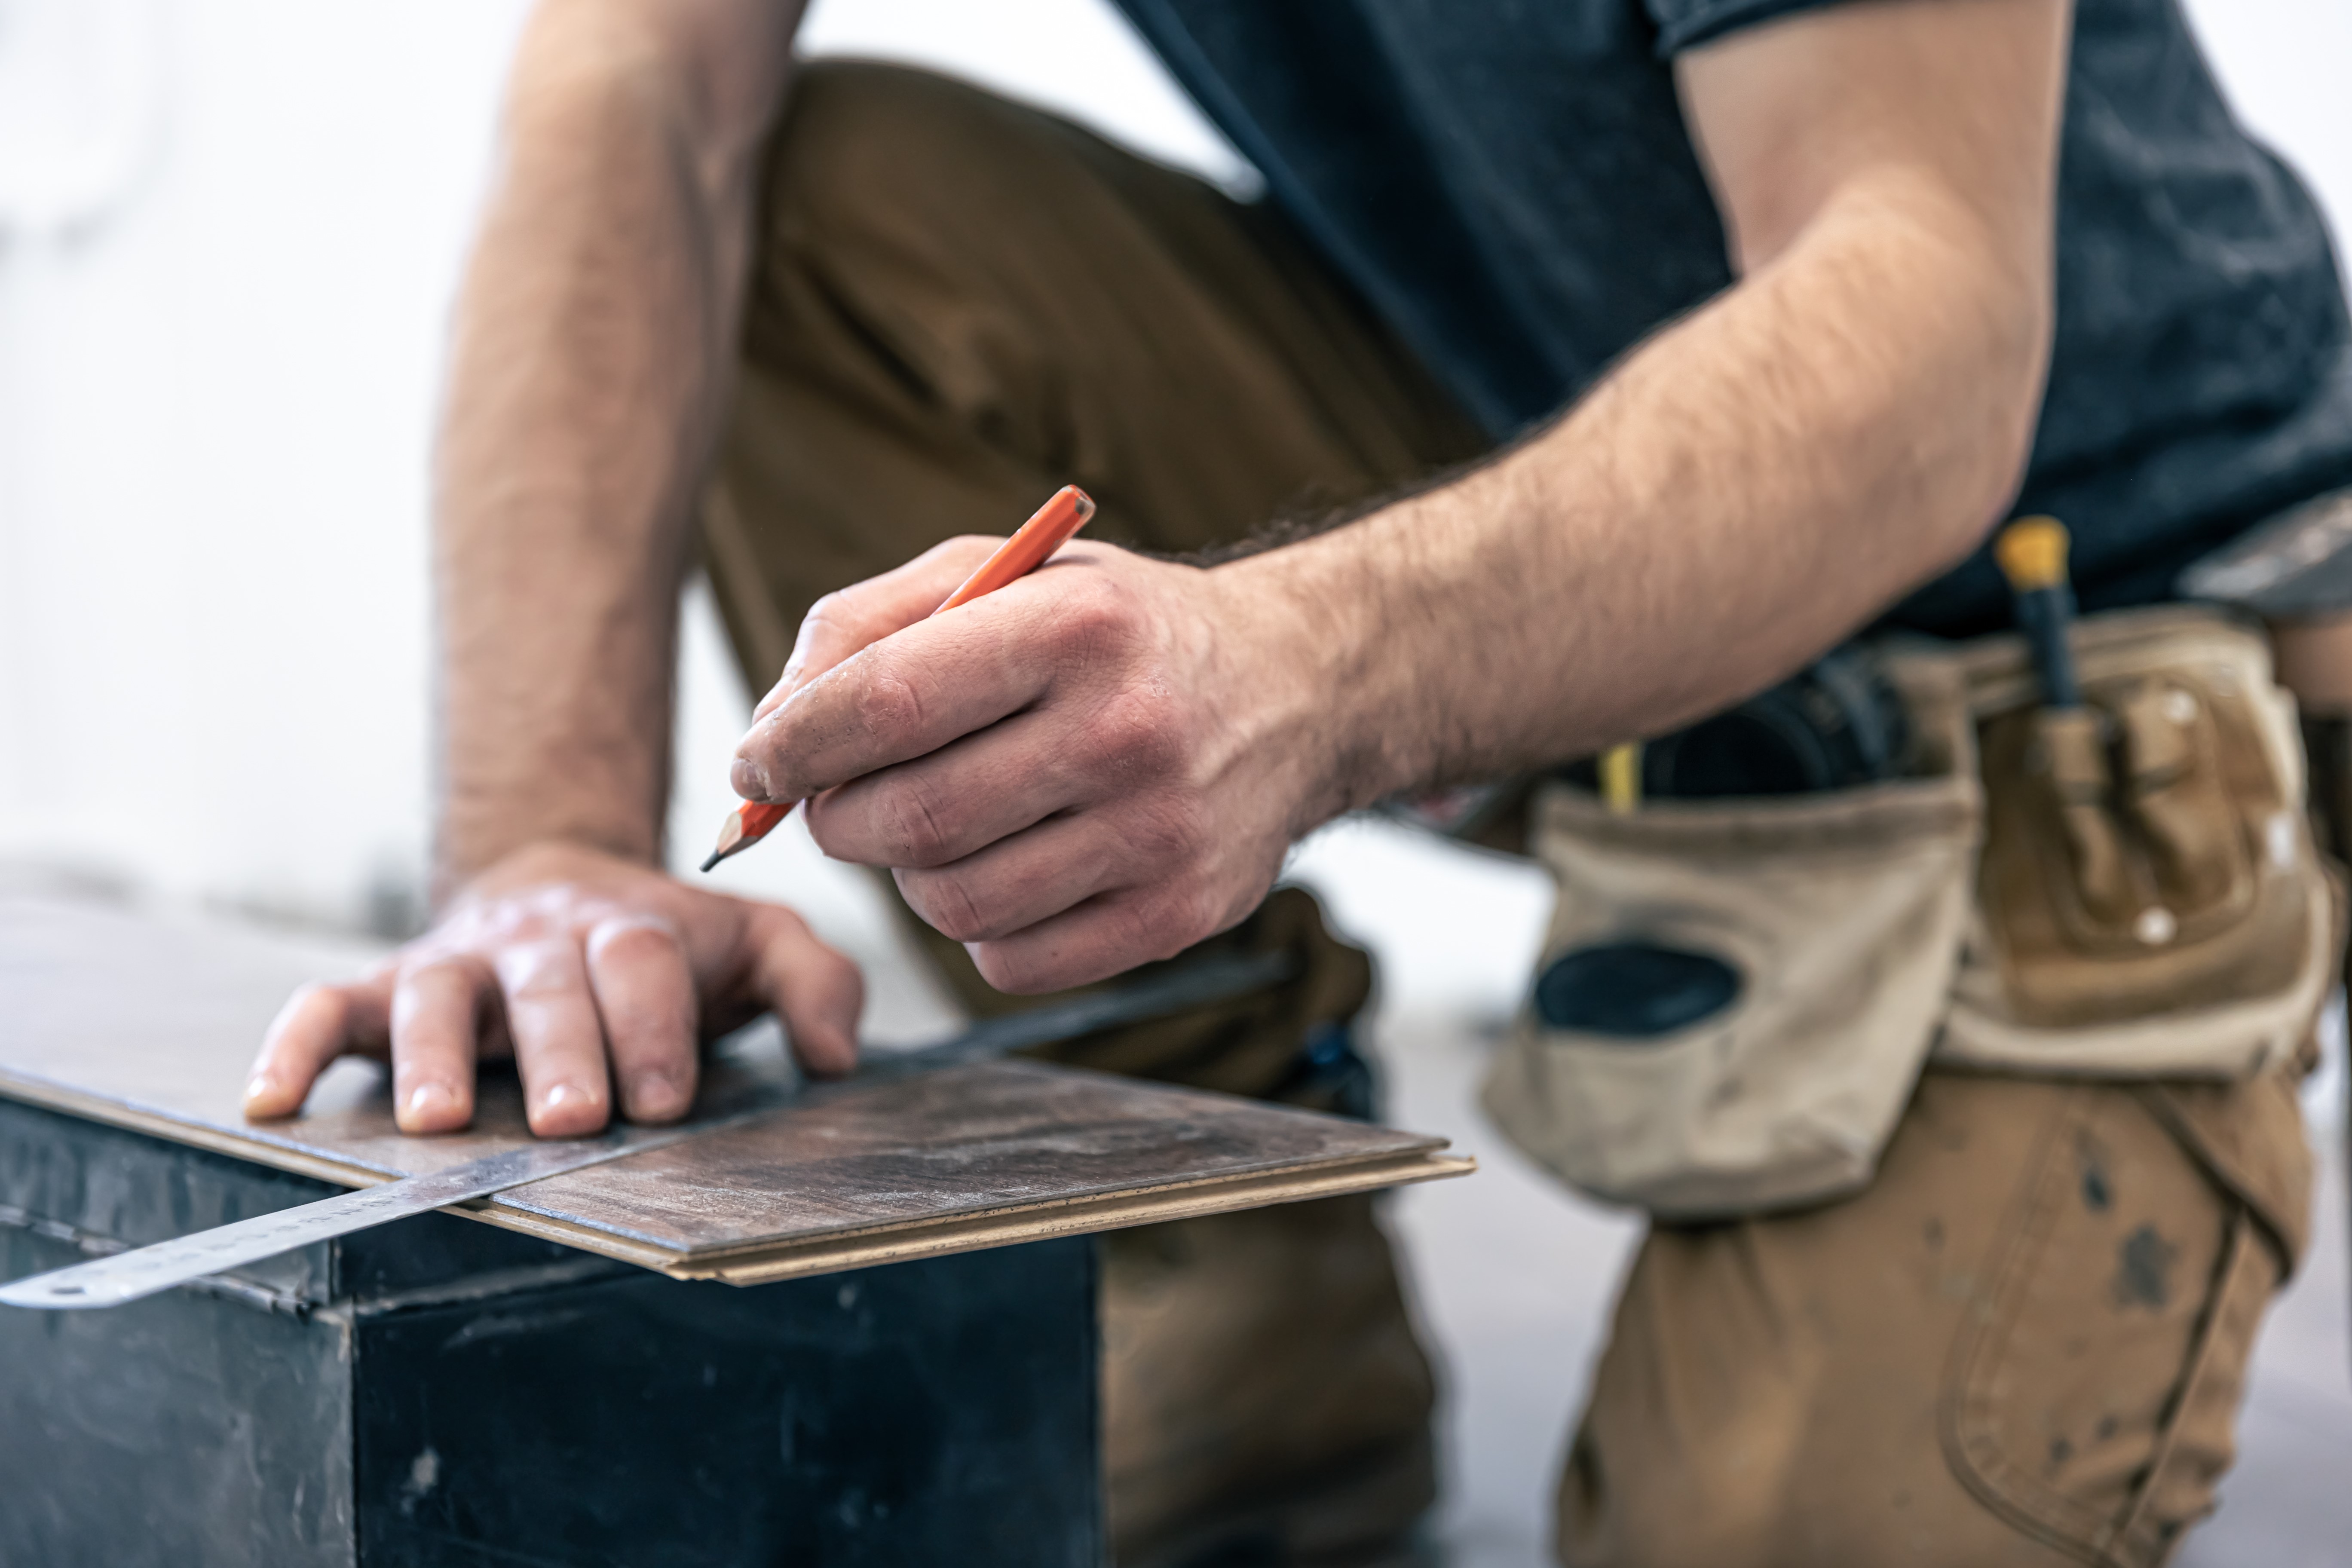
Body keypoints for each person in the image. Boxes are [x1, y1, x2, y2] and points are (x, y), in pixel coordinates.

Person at [243, 0, 2352, 1563]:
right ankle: (1242, 1251)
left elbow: (1931, 317)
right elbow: (638, 100)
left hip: (2097, 645)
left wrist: (1306, 662)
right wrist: (538, 850)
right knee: (823, 223)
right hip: (1570, 458)